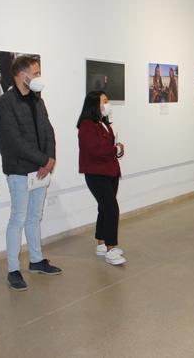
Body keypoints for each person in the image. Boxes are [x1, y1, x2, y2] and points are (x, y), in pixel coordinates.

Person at [0, 56, 61, 291]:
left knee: (35, 217)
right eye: (36, 72)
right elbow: (13, 141)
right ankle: (13, 269)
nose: (39, 76)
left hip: (40, 171)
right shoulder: (5, 103)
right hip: (19, 170)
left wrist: (49, 159)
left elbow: (48, 129)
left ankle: (36, 260)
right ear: (23, 75)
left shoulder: (37, 100)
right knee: (18, 218)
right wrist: (44, 160)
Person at [77, 91, 126, 265]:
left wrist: (117, 148)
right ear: (94, 104)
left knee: (104, 208)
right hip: (97, 174)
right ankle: (111, 248)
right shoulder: (87, 125)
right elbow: (94, 150)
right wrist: (114, 150)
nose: (108, 104)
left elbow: (108, 147)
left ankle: (101, 243)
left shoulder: (104, 124)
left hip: (110, 172)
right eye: (104, 101)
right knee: (112, 209)